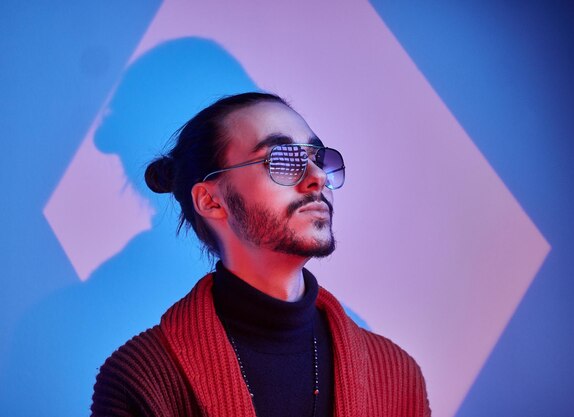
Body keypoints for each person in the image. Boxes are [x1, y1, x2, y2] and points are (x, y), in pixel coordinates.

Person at [91, 92, 431, 417]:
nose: (316, 178)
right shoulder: (143, 378)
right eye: (282, 160)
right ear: (211, 201)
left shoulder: (396, 374)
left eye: (317, 159)